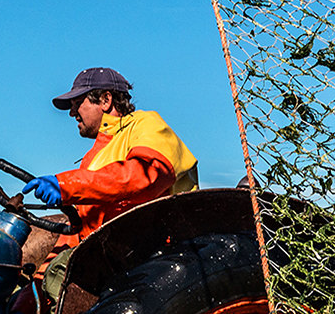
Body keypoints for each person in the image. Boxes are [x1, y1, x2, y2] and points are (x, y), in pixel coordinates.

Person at [17, 67, 199, 289]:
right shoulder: (93, 159)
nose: (72, 113)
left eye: (77, 103)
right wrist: (34, 291)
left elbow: (144, 176)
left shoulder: (147, 124)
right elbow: (78, 230)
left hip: (154, 259)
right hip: (107, 258)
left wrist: (65, 185)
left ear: (105, 100)